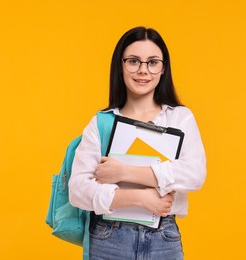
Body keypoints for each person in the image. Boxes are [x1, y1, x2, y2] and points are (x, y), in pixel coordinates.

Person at [69, 26, 206, 260]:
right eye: (133, 61)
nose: (143, 70)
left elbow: (194, 174)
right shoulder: (102, 123)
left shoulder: (180, 118)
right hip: (109, 238)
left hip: (164, 239)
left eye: (152, 62)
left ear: (163, 68)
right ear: (120, 66)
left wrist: (123, 172)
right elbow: (78, 191)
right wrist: (140, 198)